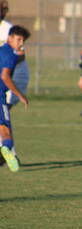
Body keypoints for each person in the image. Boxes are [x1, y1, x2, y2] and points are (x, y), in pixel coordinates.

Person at [0, 26, 30, 173]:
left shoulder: (0, 50)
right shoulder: (11, 55)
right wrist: (19, 94)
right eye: (18, 39)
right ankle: (5, 150)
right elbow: (4, 76)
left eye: (22, 40)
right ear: (10, 37)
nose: (20, 43)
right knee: (6, 132)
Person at [0, 0, 30, 108]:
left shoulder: (8, 29)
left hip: (13, 72)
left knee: (5, 106)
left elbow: (21, 54)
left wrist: (7, 63)